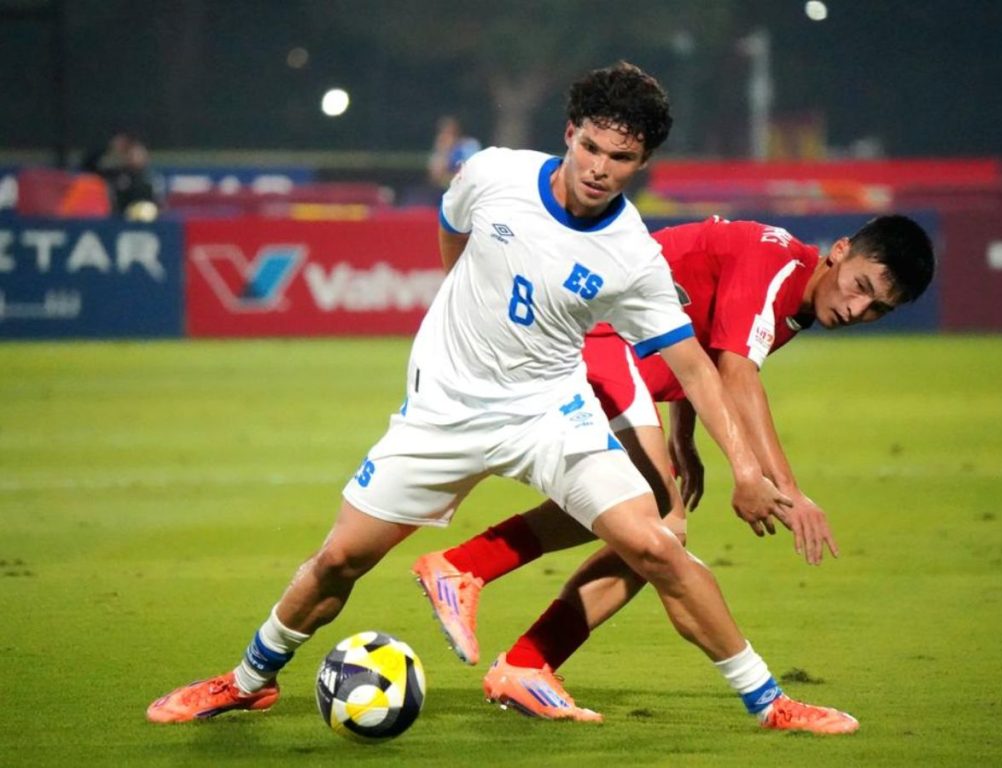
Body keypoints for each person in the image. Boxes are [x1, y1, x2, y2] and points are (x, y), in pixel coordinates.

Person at [145, 61, 795, 728]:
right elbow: (452, 223)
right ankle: (249, 680)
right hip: (444, 410)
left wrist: (747, 469)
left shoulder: (632, 256)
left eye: (621, 158)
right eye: (591, 147)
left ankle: (770, 702)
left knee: (656, 543)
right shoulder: (494, 174)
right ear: (569, 134)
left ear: (642, 162)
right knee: (340, 559)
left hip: (549, 414)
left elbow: (692, 368)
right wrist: (454, 300)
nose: (600, 167)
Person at [412, 213, 934, 727]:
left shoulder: (796, 294)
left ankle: (519, 649)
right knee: (661, 528)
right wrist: (771, 484)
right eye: (860, 286)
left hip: (611, 344)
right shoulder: (775, 264)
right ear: (839, 250)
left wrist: (682, 435)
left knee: (642, 526)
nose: (856, 307)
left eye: (877, 309)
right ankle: (481, 586)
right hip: (592, 334)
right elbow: (735, 373)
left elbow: (701, 348)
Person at [427, 115, 481, 190]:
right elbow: (435, 177)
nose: (446, 135)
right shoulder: (441, 147)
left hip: (467, 190)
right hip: (445, 190)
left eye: (449, 132)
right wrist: (443, 151)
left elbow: (470, 175)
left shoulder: (469, 145)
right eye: (443, 132)